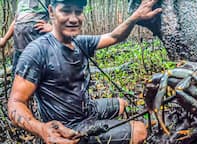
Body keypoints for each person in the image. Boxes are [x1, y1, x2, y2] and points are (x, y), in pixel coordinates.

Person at [8, 0, 162, 143]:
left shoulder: (80, 42)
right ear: (51, 11)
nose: (74, 19)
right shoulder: (36, 52)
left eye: (78, 11)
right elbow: (16, 103)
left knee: (122, 104)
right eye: (66, 11)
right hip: (69, 127)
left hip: (87, 108)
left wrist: (135, 17)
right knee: (140, 131)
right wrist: (42, 129)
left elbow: (114, 36)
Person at [0, 0, 52, 72]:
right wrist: (5, 39)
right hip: (19, 49)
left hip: (37, 49)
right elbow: (16, 21)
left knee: (35, 75)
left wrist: (52, 28)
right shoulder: (22, 2)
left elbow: (62, 14)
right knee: (17, 74)